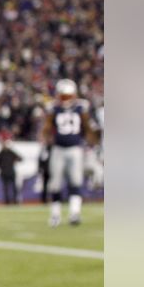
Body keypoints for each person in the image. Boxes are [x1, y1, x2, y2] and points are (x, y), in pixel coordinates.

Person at [41, 79, 96, 226]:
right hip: (58, 148)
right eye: (63, 96)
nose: (65, 100)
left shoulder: (81, 108)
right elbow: (46, 128)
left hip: (75, 149)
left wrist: (91, 143)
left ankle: (74, 213)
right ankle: (55, 215)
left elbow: (87, 127)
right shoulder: (53, 109)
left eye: (68, 96)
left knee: (76, 181)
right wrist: (45, 141)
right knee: (55, 183)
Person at [0, 138, 22, 205]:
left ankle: (15, 201)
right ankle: (7, 202)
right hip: (4, 173)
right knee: (6, 188)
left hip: (11, 172)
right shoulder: (0, 153)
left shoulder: (11, 152)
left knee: (14, 188)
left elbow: (20, 158)